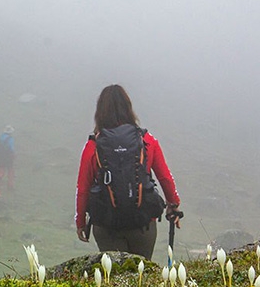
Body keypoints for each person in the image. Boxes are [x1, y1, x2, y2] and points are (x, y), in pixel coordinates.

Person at [74, 84, 182, 259]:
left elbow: (83, 188)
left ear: (100, 111)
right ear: (128, 108)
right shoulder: (147, 140)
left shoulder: (93, 146)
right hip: (143, 225)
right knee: (141, 276)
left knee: (115, 279)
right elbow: (165, 178)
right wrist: (173, 204)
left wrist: (80, 222)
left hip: (106, 226)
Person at [0, 125, 16, 190]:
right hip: (8, 157)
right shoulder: (10, 139)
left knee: (1, 171)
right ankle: (10, 185)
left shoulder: (0, 137)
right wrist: (13, 155)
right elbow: (11, 149)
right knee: (10, 171)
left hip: (0, 157)